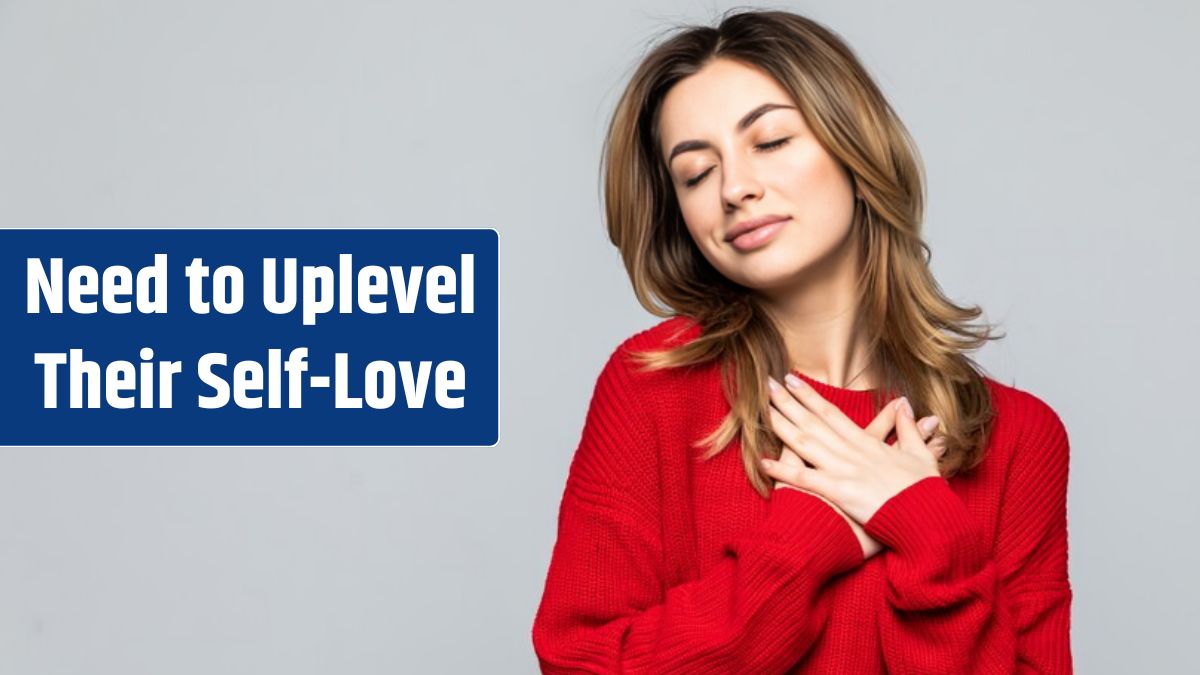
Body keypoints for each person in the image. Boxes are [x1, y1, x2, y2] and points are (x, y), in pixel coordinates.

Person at [531, 9, 1072, 674]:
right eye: (697, 174)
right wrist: (811, 536)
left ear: (853, 144)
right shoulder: (653, 388)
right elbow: (579, 665)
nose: (735, 188)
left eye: (771, 141)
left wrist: (926, 527)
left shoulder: (1020, 440)